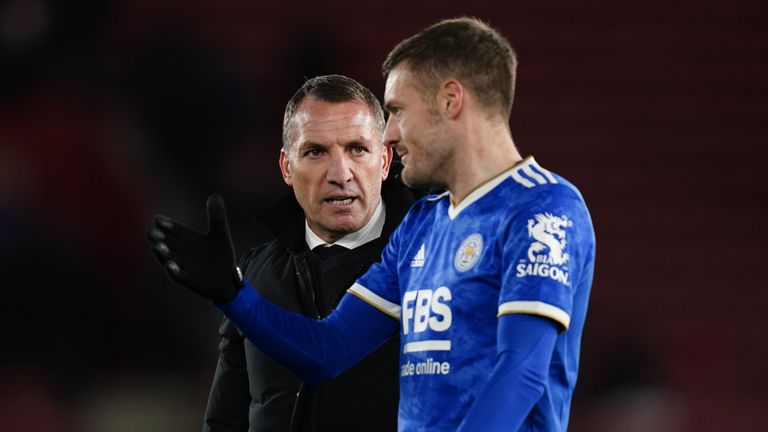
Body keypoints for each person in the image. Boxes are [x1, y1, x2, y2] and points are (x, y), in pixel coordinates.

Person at [149, 18, 595, 431]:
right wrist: (235, 296)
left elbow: (521, 373)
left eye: (398, 110)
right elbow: (328, 351)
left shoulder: (542, 208)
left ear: (451, 101)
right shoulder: (423, 225)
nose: (391, 133)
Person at [153, 75, 413, 431]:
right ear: (286, 167)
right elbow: (225, 420)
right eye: (315, 151)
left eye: (357, 149)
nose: (340, 173)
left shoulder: (427, 262)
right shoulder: (255, 274)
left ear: (384, 162)